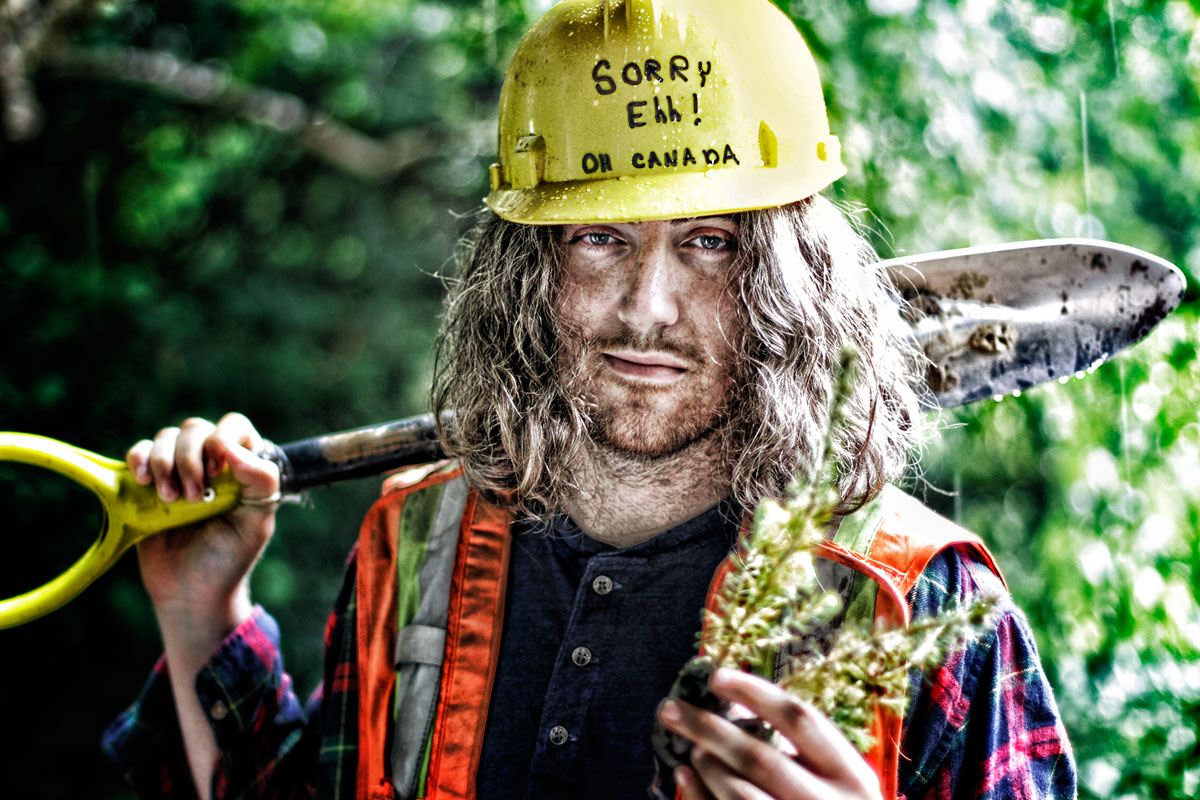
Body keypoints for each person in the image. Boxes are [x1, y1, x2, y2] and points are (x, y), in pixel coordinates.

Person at [102, 1, 1077, 799]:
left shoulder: (924, 606)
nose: (647, 309)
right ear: (526, 272)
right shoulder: (414, 546)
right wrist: (200, 610)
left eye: (711, 241)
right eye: (598, 238)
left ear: (791, 277)